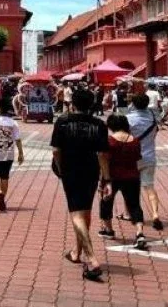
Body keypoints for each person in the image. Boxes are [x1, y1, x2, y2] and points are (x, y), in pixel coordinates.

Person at [51, 88, 111, 281]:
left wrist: (60, 169)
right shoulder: (99, 124)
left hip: (70, 169)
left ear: (73, 103)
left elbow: (56, 151)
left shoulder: (63, 121)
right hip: (91, 170)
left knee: (76, 213)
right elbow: (102, 154)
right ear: (92, 104)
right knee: (85, 211)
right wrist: (107, 178)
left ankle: (92, 259)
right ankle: (77, 252)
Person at [98, 115, 148, 250]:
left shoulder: (110, 141)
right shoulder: (135, 141)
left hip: (112, 177)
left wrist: (105, 178)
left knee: (106, 202)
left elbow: (103, 157)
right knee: (134, 205)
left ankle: (108, 230)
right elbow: (137, 158)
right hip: (132, 176)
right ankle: (139, 232)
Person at [127, 93, 165, 231]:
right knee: (149, 187)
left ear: (134, 104)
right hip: (149, 156)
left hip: (132, 157)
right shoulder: (153, 120)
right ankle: (155, 214)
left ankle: (130, 213)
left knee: (130, 187)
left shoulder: (128, 119)